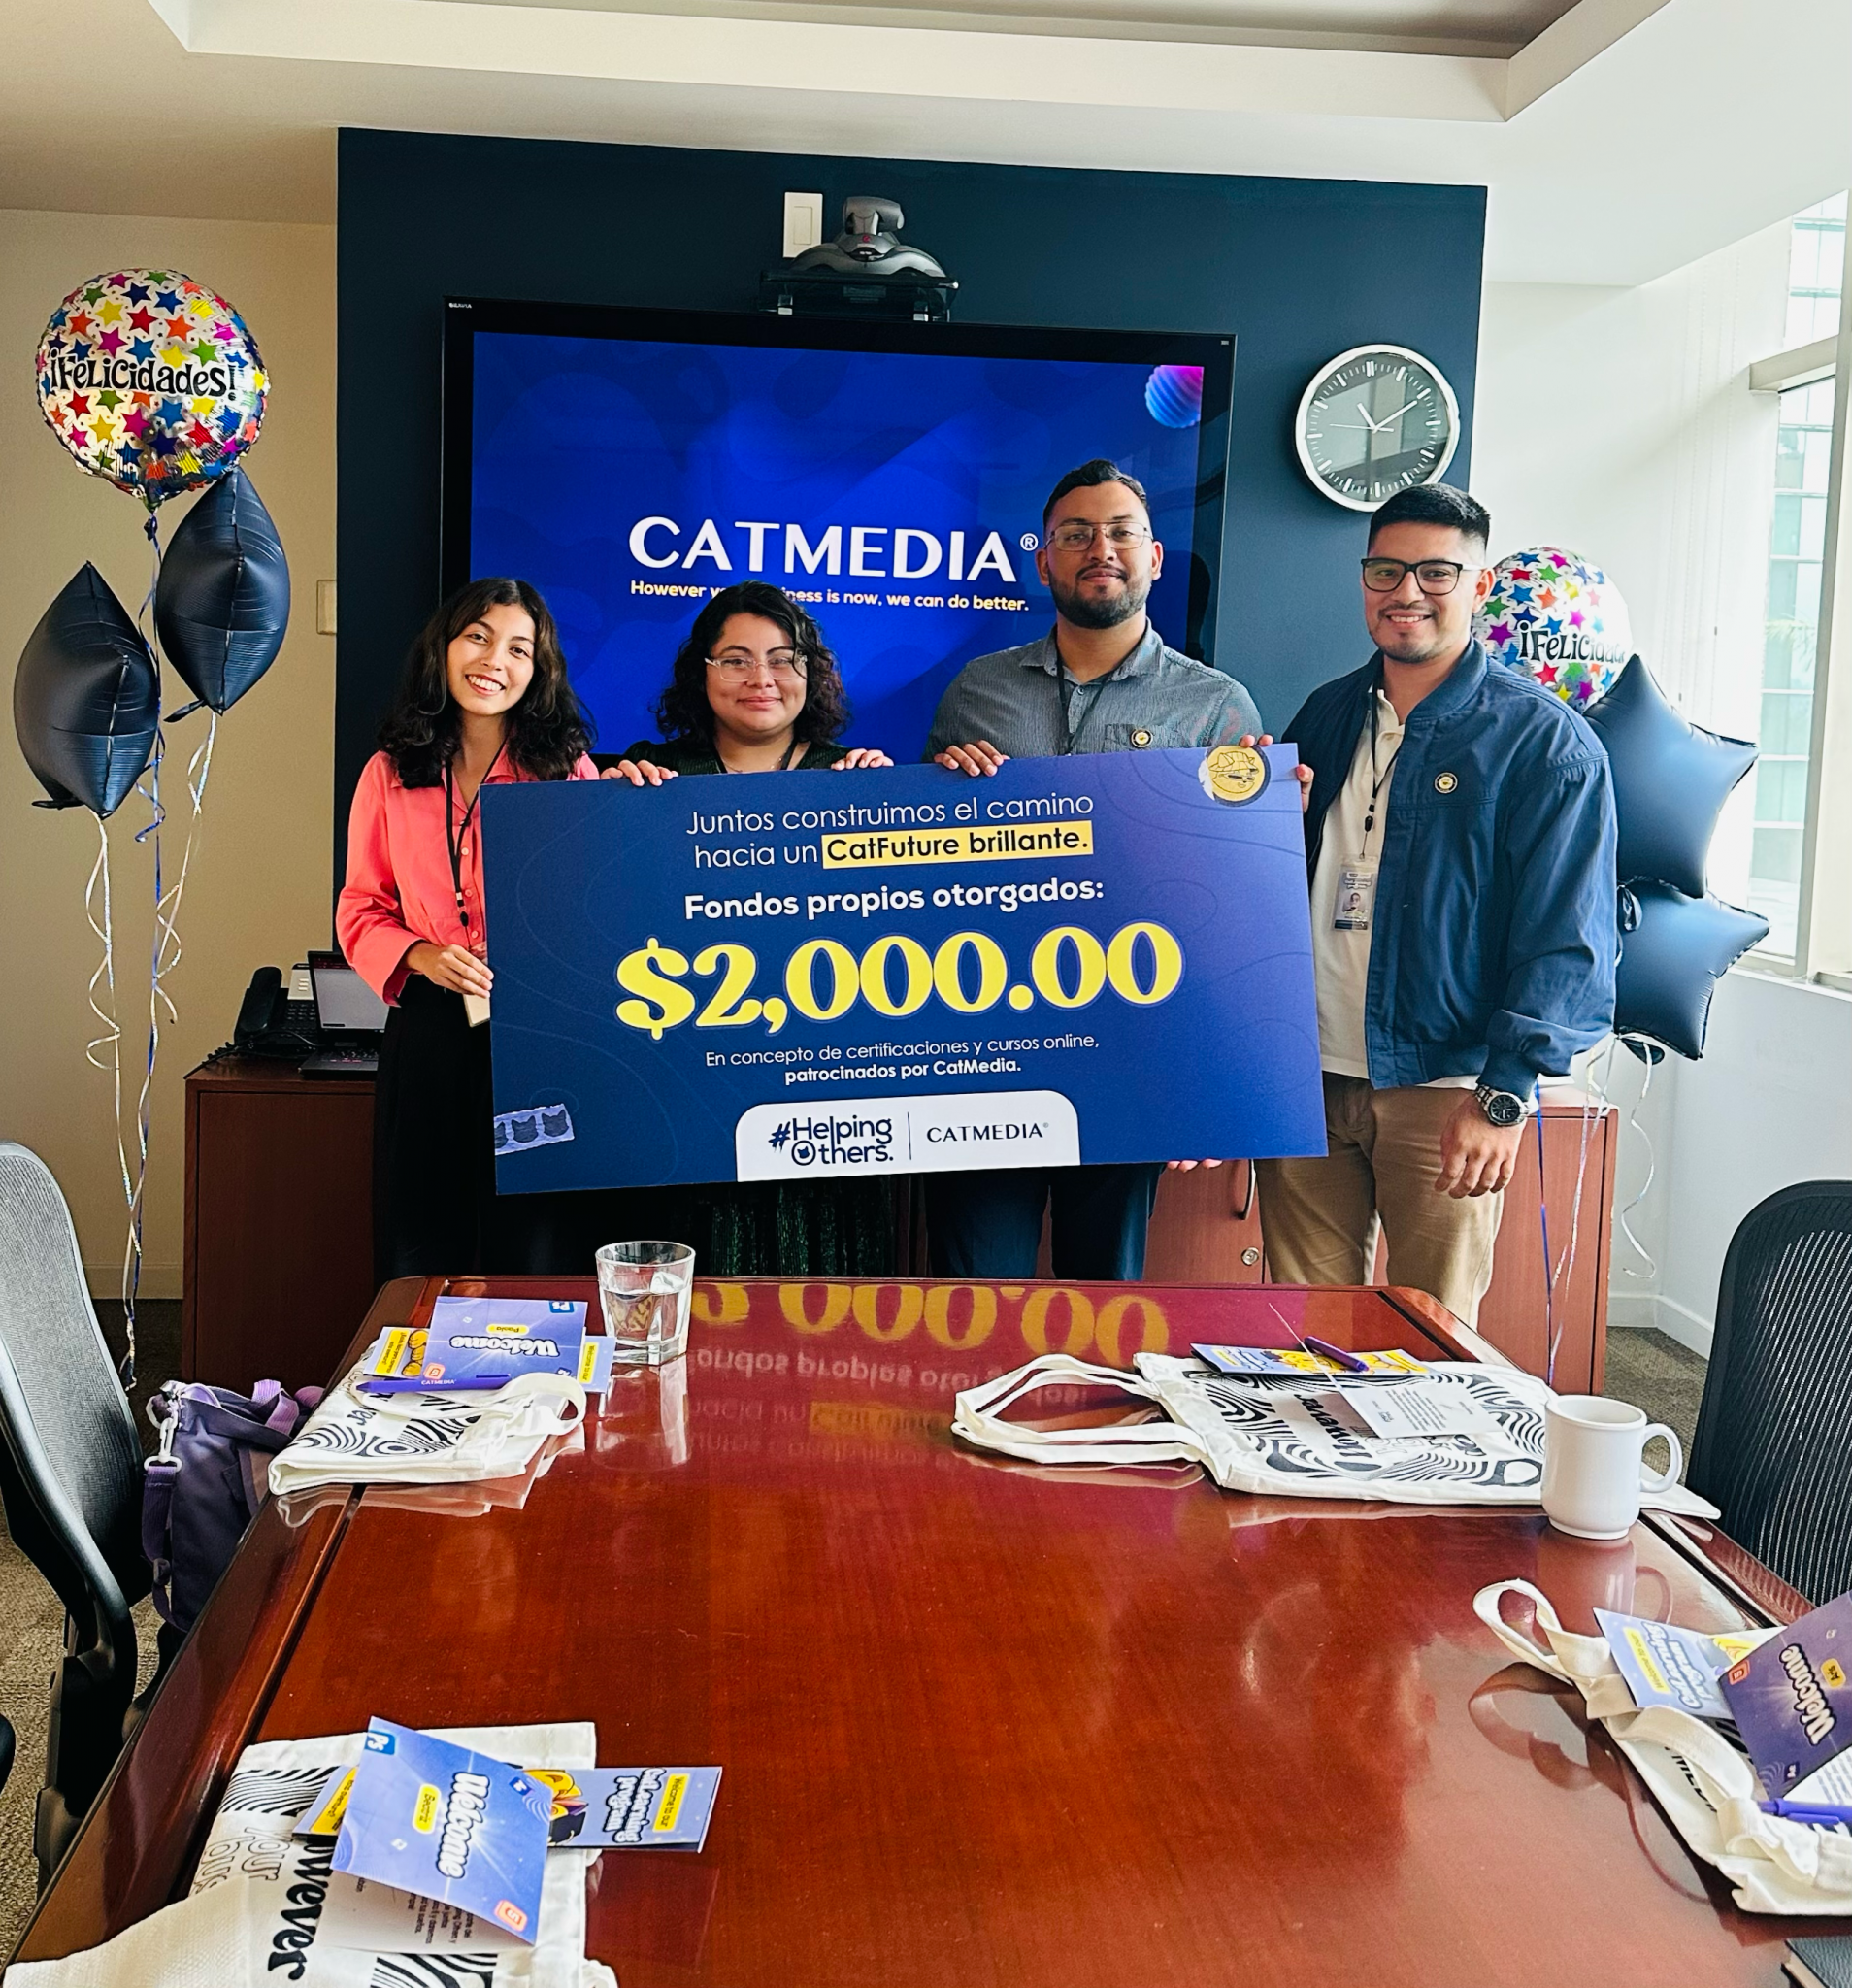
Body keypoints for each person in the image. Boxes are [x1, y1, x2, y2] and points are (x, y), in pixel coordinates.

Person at [1256, 482, 1617, 1328]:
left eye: (1436, 573)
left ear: (1480, 585)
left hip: (1446, 1089)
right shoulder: (1326, 713)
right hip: (1307, 1079)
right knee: (1305, 1332)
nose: (1406, 592)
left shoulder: (1545, 744)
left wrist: (1504, 1094)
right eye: (1385, 571)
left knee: (1430, 1340)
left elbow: (1571, 941)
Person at [923, 456, 1266, 1280]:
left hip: (1136, 1047)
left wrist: (1213, 1082)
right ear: (1044, 561)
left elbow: (1235, 910)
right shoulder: (976, 690)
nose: (1099, 549)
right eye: (1075, 535)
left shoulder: (1217, 706)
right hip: (985, 1044)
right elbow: (922, 876)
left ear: (1154, 557)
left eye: (1120, 532)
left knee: (1103, 1298)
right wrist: (941, 788)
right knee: (974, 1292)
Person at [602, 581, 899, 1276]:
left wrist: (891, 808)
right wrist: (607, 809)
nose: (761, 678)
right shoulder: (651, 778)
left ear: (810, 672)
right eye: (735, 660)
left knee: (827, 1306)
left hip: (825, 1102)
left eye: (782, 659)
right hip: (687, 1093)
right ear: (700, 672)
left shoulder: (855, 779)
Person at [339, 577, 604, 1281]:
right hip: (432, 1029)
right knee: (422, 1238)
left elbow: (591, 909)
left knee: (537, 1241)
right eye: (478, 638)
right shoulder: (390, 772)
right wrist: (422, 954)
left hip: (539, 1031)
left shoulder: (566, 771)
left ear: (539, 670)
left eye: (519, 649)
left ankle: (540, 1358)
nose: (494, 661)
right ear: (444, 648)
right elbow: (361, 906)